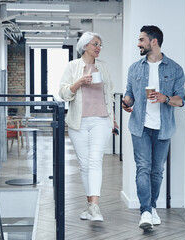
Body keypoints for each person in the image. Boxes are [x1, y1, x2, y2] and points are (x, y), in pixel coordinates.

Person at [122, 25, 185, 230]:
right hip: (140, 127)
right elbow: (129, 95)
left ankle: (152, 206)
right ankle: (146, 212)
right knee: (143, 168)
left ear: (153, 42)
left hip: (163, 128)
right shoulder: (135, 68)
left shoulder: (175, 69)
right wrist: (126, 103)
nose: (138, 44)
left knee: (157, 171)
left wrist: (164, 98)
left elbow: (180, 101)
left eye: (141, 40)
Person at [59, 32, 118, 222]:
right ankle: (90, 207)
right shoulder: (72, 67)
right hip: (79, 122)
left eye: (100, 45)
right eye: (95, 44)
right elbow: (63, 94)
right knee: (84, 166)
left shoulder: (104, 67)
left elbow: (110, 94)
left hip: (101, 120)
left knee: (94, 162)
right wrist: (79, 83)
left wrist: (113, 118)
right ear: (85, 46)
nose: (99, 48)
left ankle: (95, 207)